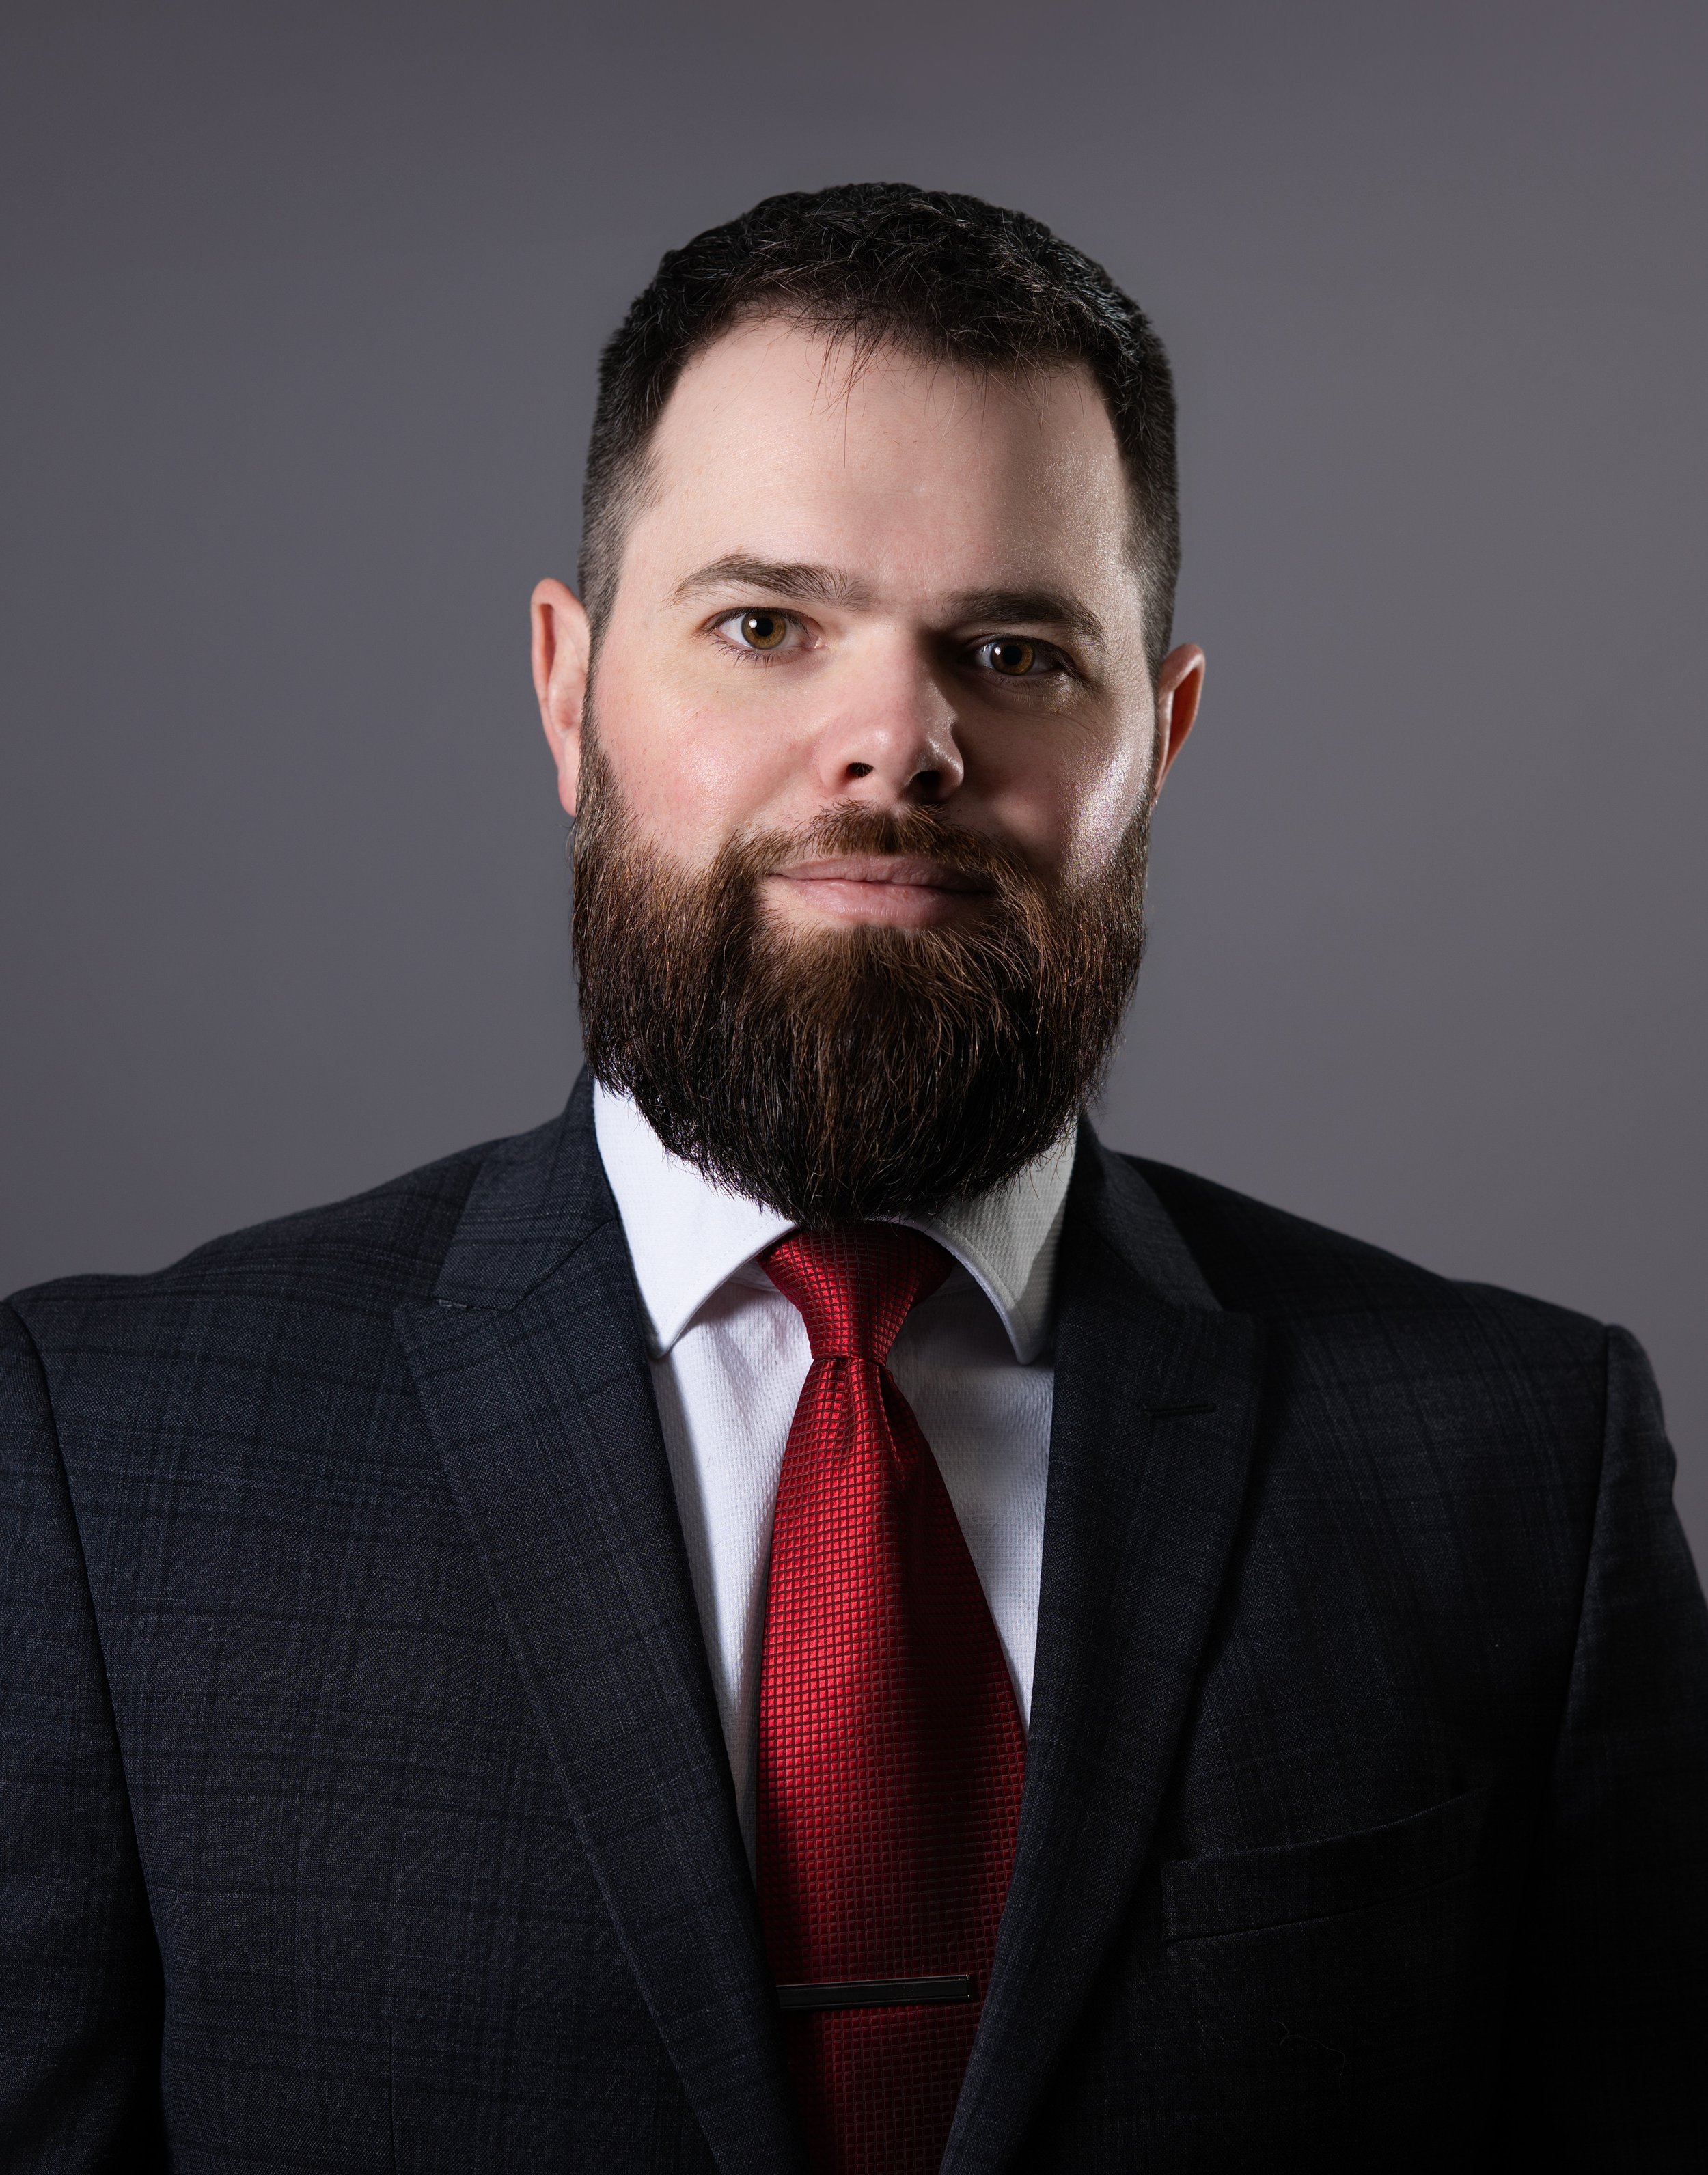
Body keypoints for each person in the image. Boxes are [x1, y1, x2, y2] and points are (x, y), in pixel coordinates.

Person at [2, 182, 1703, 2175]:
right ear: (567, 695)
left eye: (1009, 648)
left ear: (1159, 737)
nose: (894, 740)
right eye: (760, 626)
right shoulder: (102, 1470)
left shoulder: (1515, 1467)